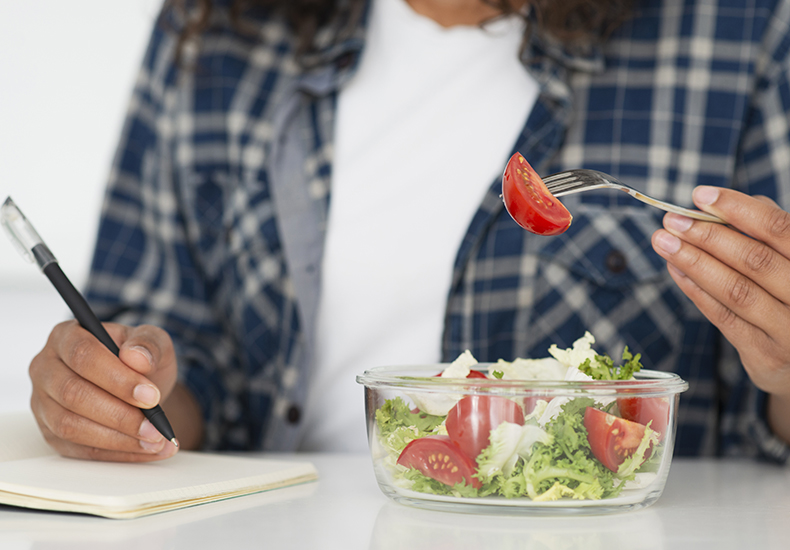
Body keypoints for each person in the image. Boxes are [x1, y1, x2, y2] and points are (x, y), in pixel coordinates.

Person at [27, 0, 790, 464]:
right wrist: (118, 397)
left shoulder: (744, 28)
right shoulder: (217, 30)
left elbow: (766, 423)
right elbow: (173, 383)